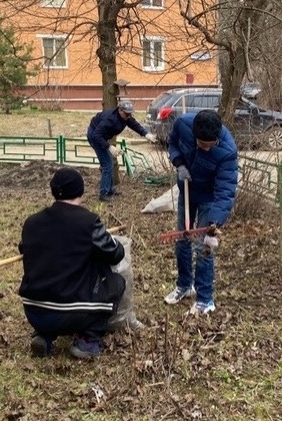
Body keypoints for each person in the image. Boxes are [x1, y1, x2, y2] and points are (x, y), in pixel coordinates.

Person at [17, 167, 127, 359]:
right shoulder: (88, 222)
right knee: (116, 282)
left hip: (33, 311)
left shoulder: (31, 223)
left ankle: (45, 335)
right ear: (81, 192)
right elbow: (115, 254)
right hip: (70, 314)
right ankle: (88, 340)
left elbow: (24, 248)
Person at [165, 104, 238, 314]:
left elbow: (225, 190)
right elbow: (173, 144)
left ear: (217, 139)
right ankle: (184, 286)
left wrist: (215, 222)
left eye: (210, 145)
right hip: (187, 190)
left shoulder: (227, 151)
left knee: (204, 247)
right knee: (182, 239)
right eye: (201, 144)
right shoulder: (183, 125)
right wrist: (179, 163)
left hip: (209, 199)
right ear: (194, 134)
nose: (205, 148)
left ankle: (205, 299)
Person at [85, 93, 147, 199]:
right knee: (107, 164)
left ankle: (110, 189)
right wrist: (109, 146)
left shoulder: (125, 118)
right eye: (126, 114)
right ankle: (104, 193)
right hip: (95, 136)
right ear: (120, 110)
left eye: (130, 114)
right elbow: (96, 135)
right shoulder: (110, 119)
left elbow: (134, 125)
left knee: (109, 162)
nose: (128, 116)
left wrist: (146, 133)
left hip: (101, 136)